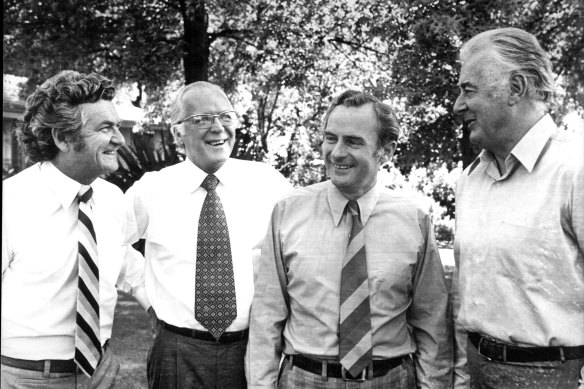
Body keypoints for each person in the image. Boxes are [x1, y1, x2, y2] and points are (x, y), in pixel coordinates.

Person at [247, 90, 453, 388]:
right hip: (304, 380)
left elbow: (432, 323)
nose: (337, 152)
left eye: (353, 141)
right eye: (331, 138)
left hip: (390, 381)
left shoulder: (414, 221)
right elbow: (267, 316)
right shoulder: (287, 212)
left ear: (387, 150)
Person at [124, 81, 292, 389]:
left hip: (252, 349)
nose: (218, 128)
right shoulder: (152, 189)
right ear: (177, 132)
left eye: (226, 116)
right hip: (177, 351)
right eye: (202, 119)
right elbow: (112, 244)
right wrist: (145, 297)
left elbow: (298, 253)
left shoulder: (269, 184)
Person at [452, 27, 584, 388]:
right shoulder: (470, 179)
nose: (457, 105)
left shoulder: (575, 170)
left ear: (516, 88)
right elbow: (467, 305)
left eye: (468, 90)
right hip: (479, 371)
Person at [2, 70, 150, 388]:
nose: (120, 139)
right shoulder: (9, 203)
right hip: (21, 378)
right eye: (105, 128)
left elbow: (126, 265)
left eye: (117, 125)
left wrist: (169, 313)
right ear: (64, 138)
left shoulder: (111, 199)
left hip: (98, 373)